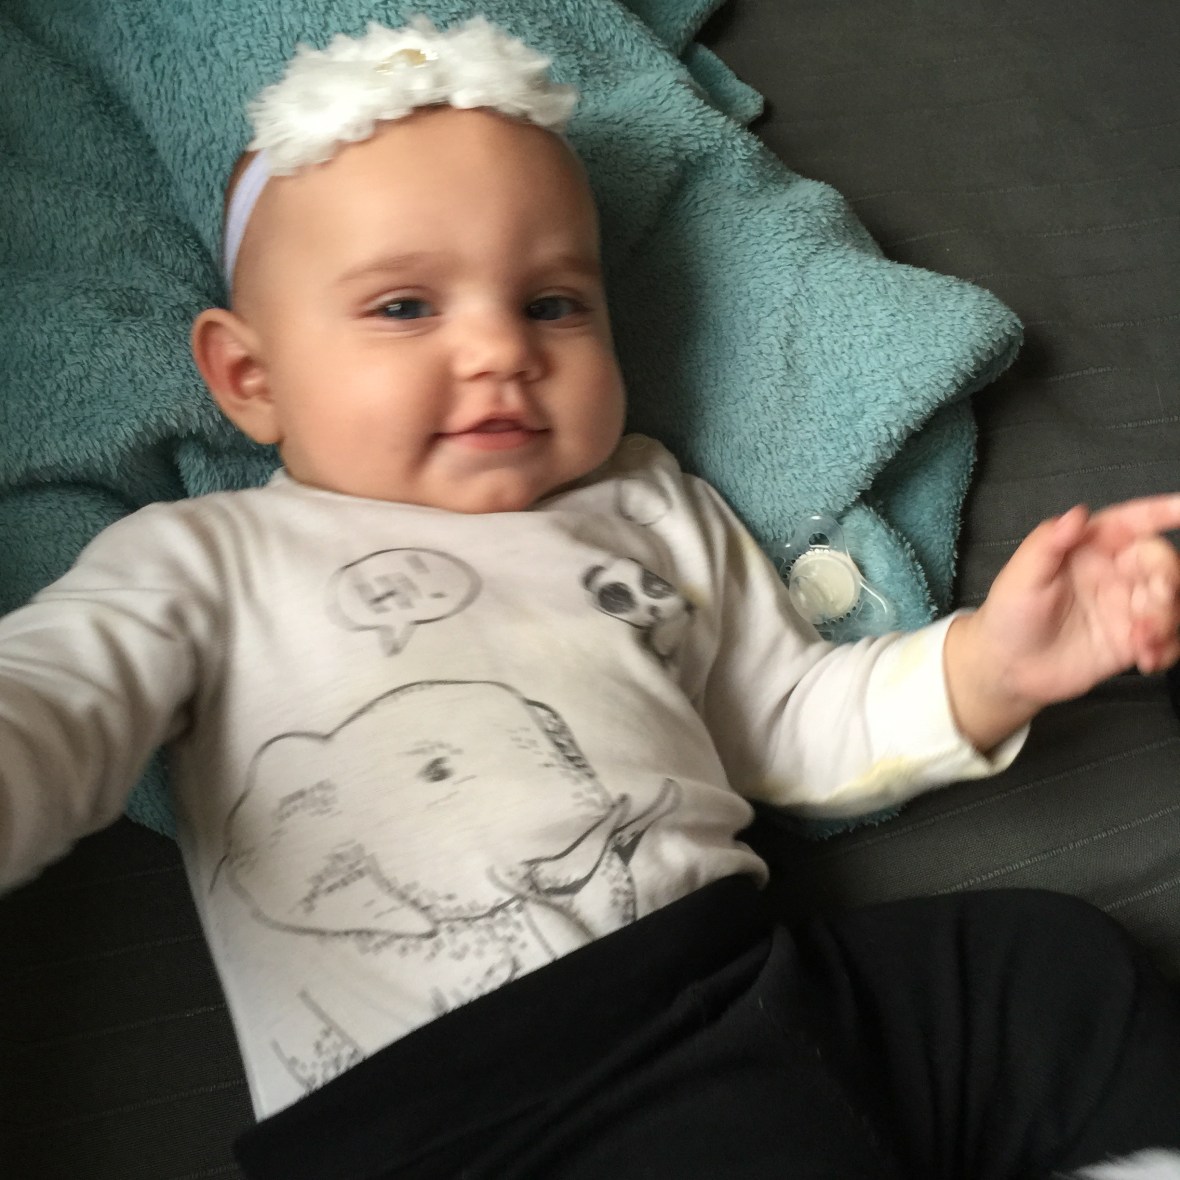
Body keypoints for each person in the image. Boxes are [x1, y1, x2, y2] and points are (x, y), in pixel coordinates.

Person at [1, 16, 1180, 1180]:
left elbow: (786, 725)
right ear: (249, 375)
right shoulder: (206, 559)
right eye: (405, 306)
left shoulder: (649, 509)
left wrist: (988, 666)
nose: (498, 349)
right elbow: (61, 696)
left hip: (747, 983)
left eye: (552, 303)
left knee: (1053, 978)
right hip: (474, 1111)